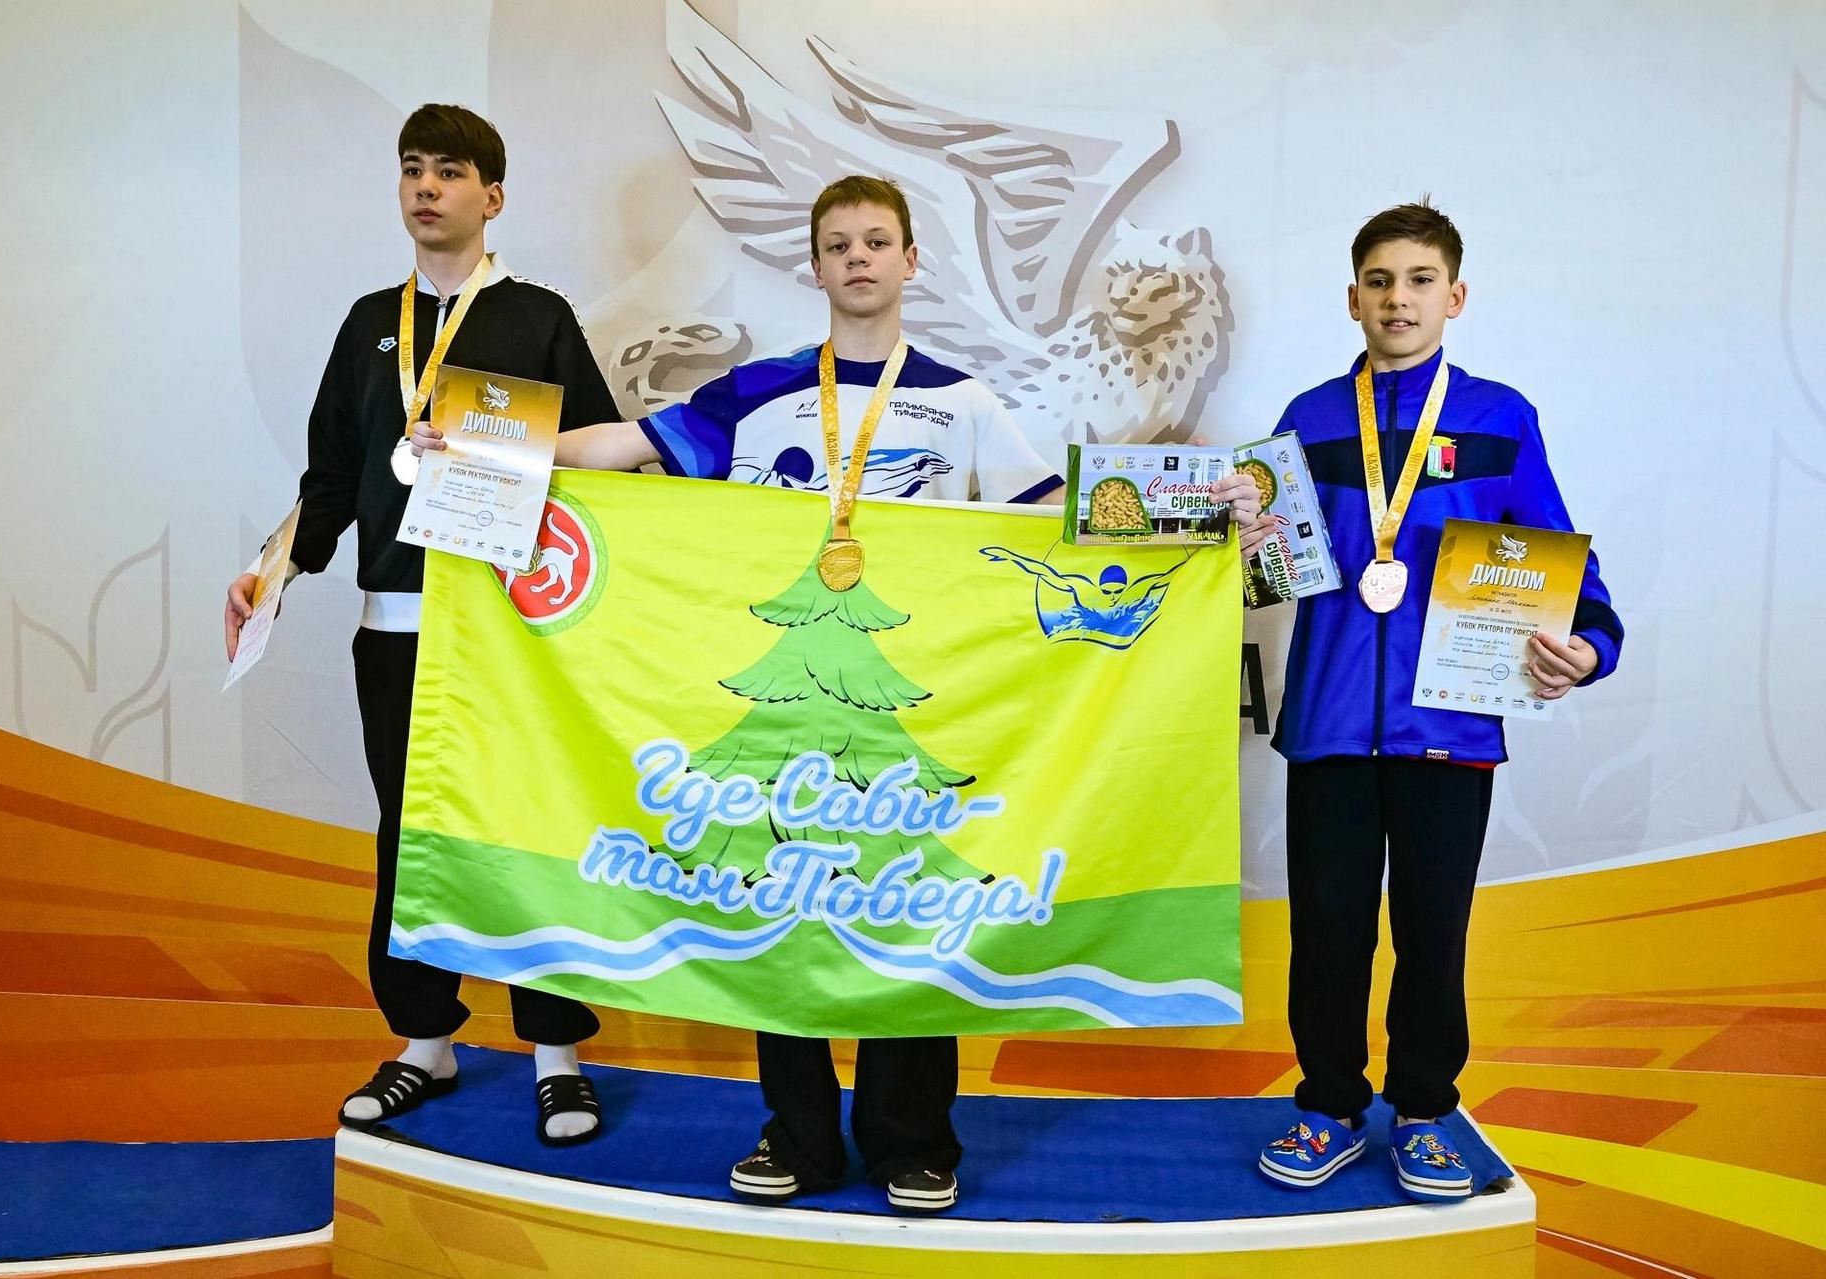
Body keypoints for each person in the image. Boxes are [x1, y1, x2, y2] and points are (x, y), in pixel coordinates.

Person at [417, 174, 1263, 1212]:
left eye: (875, 241)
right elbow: (617, 448)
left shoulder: (961, 401)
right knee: (781, 912)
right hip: (774, 715)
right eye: (838, 244)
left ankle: (917, 1141)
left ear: (910, 261)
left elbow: (1055, 518)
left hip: (908, 715)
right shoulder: (759, 391)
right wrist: (473, 445)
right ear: (814, 266)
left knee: (914, 912)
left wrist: (1199, 512)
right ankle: (798, 1136)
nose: (858, 257)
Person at [223, 104, 621, 1146]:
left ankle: (558, 1055)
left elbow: (602, 462)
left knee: (529, 826)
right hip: (395, 627)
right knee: (410, 834)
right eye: (412, 169)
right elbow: (330, 479)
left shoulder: (536, 318)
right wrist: (268, 572)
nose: (427, 187)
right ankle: (424, 1041)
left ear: (494, 195)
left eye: (450, 171)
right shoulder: (368, 324)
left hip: (512, 631)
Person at [1254, 201, 1623, 1200]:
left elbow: (1556, 552)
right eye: (1379, 281)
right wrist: (1234, 525)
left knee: (1433, 934)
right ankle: (1330, 1105)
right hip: (1329, 725)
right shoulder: (1308, 419)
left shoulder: (1501, 418)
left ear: (1455, 297)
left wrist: (1591, 644)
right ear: (1352, 299)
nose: (1398, 299)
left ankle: (1424, 1112)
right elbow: (1265, 572)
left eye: (1420, 280)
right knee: (1328, 933)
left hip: (1451, 728)